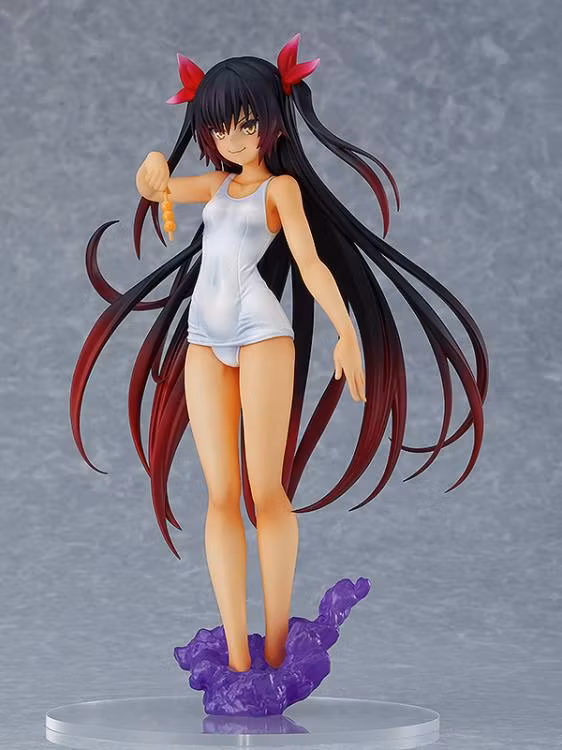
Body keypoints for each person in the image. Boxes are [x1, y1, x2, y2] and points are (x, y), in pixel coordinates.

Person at [70, 34, 488, 675]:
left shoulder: (281, 190)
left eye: (246, 125)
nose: (234, 140)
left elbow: (312, 264)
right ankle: (239, 659)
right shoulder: (216, 185)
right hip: (205, 341)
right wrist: (152, 166)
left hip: (263, 337)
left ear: (272, 123)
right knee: (219, 495)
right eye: (220, 128)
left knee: (265, 492)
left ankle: (274, 647)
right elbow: (158, 187)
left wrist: (346, 331)